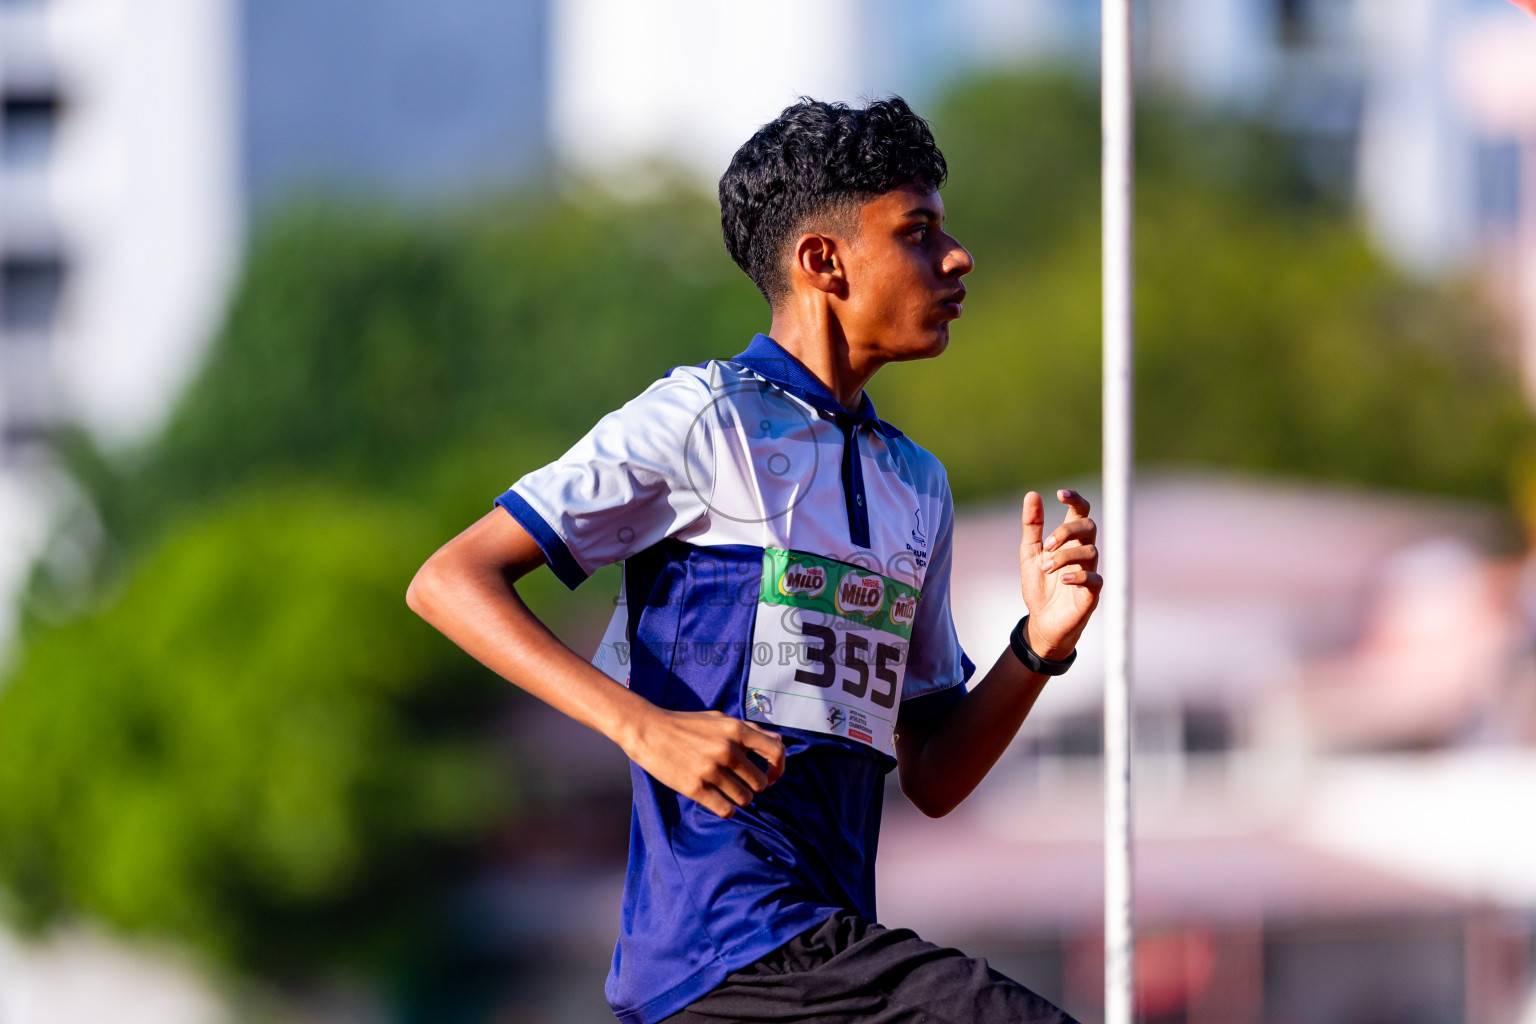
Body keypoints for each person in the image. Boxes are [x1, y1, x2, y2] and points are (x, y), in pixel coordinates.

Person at [407, 96, 1101, 1024]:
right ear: (824, 261)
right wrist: (639, 725)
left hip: (828, 951)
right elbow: (448, 580)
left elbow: (932, 775)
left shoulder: (916, 483)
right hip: (727, 952)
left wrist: (1038, 647)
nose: (957, 257)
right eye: (919, 230)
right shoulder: (703, 417)